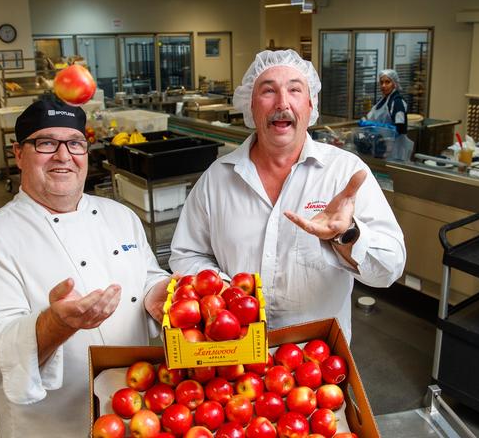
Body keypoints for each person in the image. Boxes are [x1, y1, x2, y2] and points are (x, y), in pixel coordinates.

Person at [0, 96, 171, 437]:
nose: (63, 155)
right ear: (18, 153)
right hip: (55, 425)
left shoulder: (120, 217)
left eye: (74, 143)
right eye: (46, 143)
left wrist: (156, 292)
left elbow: (146, 276)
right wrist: (52, 326)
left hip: (138, 415)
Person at [169, 50, 406, 342]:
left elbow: (388, 270)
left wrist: (347, 235)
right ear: (250, 105)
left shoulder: (346, 174)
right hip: (232, 357)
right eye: (268, 90)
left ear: (310, 104)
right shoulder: (216, 180)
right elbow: (187, 254)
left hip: (316, 365)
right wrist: (227, 296)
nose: (282, 103)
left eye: (295, 89)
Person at [366, 69, 408, 134]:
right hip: (382, 141)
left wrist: (381, 127)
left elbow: (400, 129)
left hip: (394, 143)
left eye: (387, 82)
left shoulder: (397, 101)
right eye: (381, 82)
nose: (383, 85)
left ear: (394, 84)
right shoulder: (381, 100)